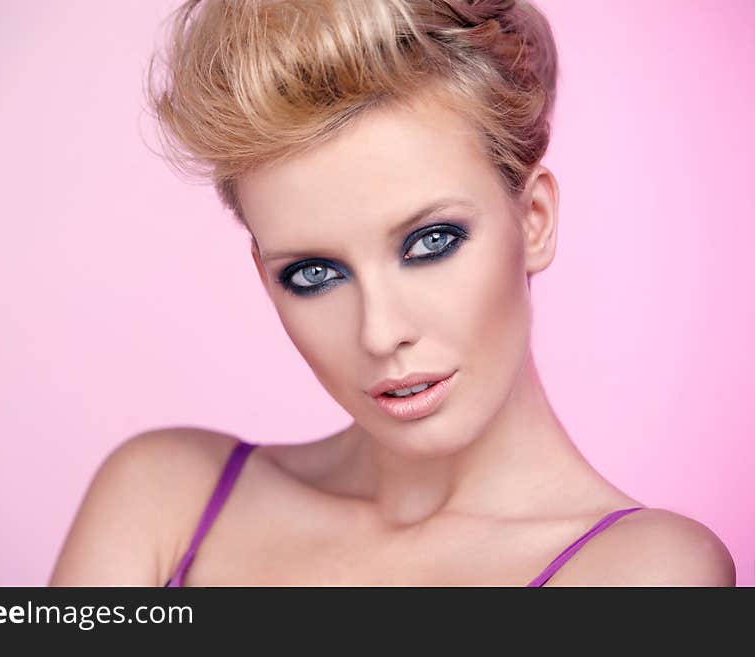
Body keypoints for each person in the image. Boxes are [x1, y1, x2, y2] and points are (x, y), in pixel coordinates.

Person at [49, 0, 736, 586]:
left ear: (534, 221)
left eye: (430, 242)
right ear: (266, 277)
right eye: (316, 273)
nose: (380, 332)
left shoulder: (643, 571)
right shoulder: (164, 499)